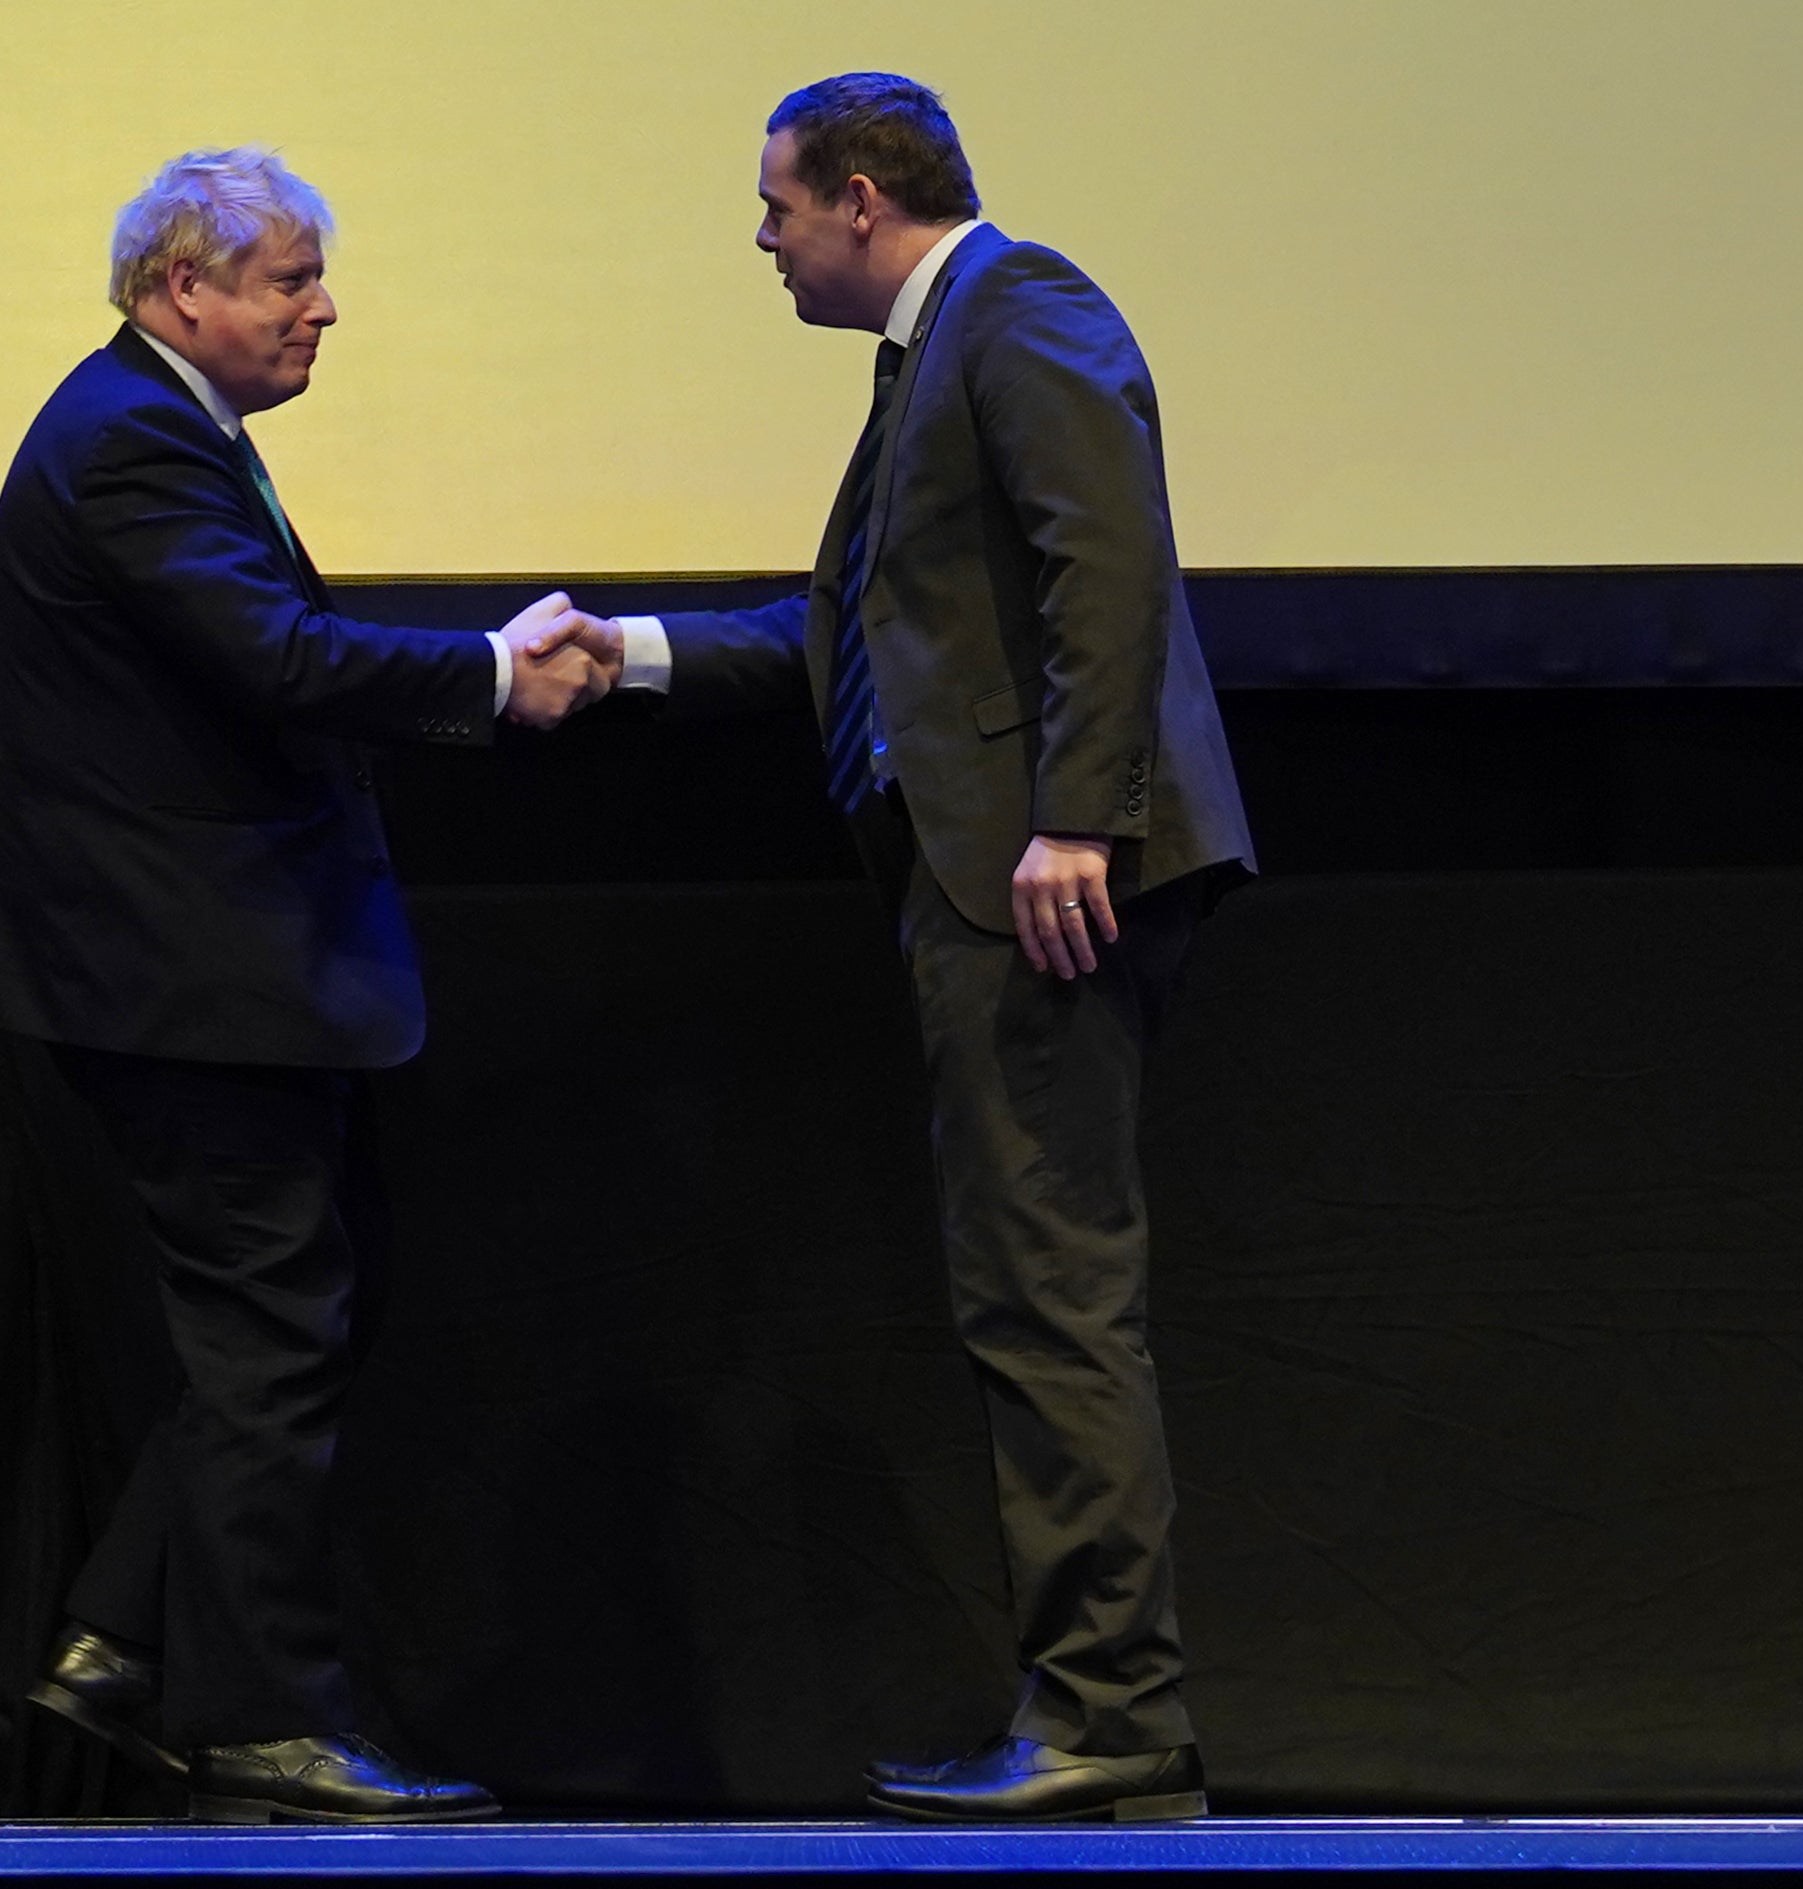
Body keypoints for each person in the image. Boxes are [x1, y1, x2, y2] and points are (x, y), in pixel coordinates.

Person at [540, 73, 1254, 1821]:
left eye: (775, 209)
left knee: (1051, 1298)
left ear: (862, 197)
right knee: (1028, 1291)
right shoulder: (927, 357)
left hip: (1045, 879)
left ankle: (1113, 1716)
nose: (765, 243)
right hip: (989, 878)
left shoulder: (1022, 306)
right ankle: (1095, 1706)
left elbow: (1110, 560)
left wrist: (1075, 815)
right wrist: (625, 651)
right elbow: (854, 630)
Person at [0, 146, 613, 1825]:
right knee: (273, 1340)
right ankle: (259, 1718)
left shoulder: (161, 426)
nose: (322, 306)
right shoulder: (127, 443)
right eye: (288, 278)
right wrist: (489, 670)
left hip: (218, 974)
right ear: (181, 288)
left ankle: (122, 1636)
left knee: (294, 1323)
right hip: (190, 981)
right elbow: (276, 660)